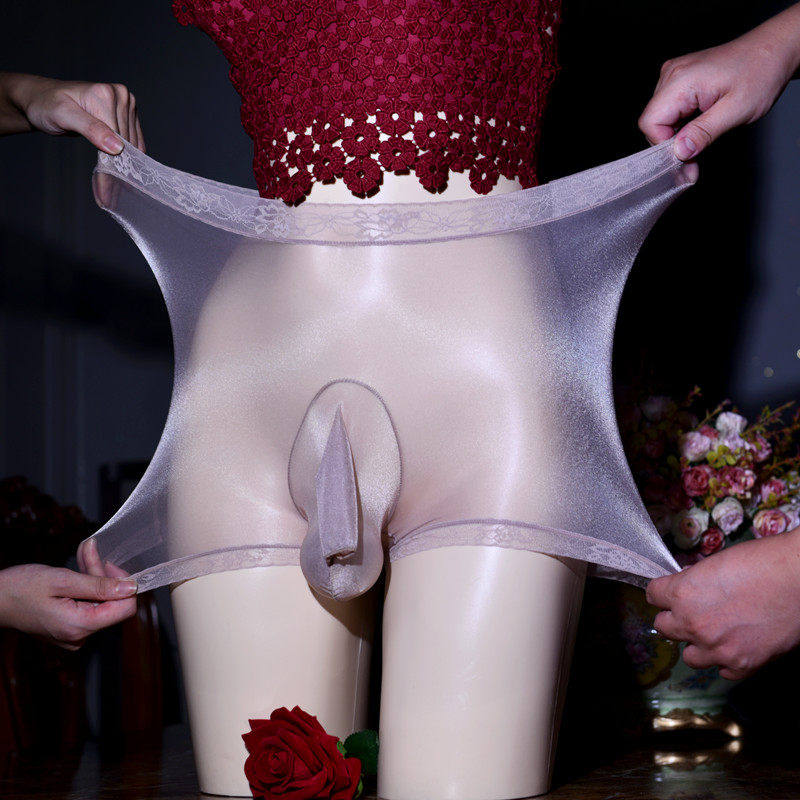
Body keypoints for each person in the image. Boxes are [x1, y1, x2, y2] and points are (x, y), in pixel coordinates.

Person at [1, 0, 798, 669]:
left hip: (484, 374)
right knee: (269, 782)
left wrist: (777, 41)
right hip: (249, 380)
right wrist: (28, 94)